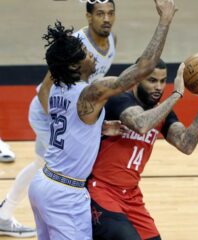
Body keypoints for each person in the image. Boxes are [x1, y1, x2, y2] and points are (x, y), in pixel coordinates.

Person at [28, 0, 176, 239]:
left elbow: (73, 123)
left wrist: (99, 128)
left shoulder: (58, 89)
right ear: (76, 65)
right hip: (66, 193)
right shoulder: (90, 93)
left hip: (43, 184)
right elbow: (144, 67)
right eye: (86, 54)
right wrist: (164, 21)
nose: (92, 56)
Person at [0, 0, 117, 237]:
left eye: (110, 13)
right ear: (88, 16)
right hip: (49, 112)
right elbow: (45, 89)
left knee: (42, 166)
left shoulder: (112, 40)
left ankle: (4, 214)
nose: (106, 19)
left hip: (71, 111)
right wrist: (67, 121)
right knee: (59, 170)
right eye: (100, 13)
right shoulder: (76, 44)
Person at [88, 58, 198, 240]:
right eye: (152, 81)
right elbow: (141, 123)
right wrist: (176, 94)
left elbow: (186, 144)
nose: (159, 87)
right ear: (137, 79)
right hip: (101, 191)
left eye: (163, 81)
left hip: (131, 196)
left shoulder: (162, 111)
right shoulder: (120, 99)